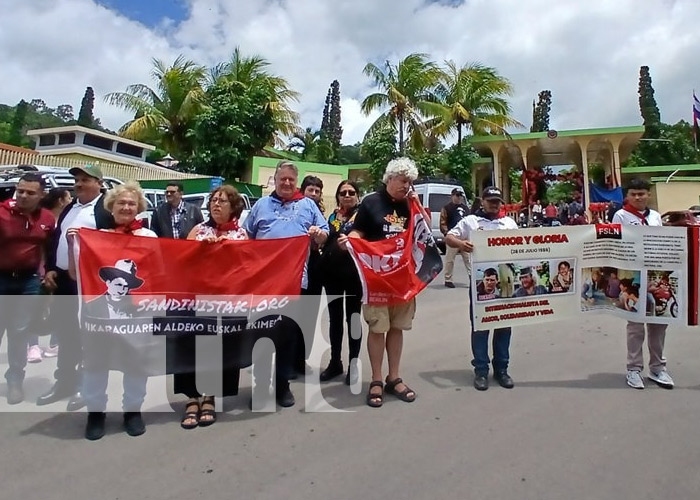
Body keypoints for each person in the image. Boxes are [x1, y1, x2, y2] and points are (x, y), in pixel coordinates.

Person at [67, 181, 156, 440]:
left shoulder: (149, 238)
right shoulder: (96, 237)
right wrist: (73, 241)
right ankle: (96, 413)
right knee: (96, 363)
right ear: (111, 206)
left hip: (138, 312)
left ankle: (132, 411)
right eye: (121, 202)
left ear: (138, 208)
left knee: (136, 363)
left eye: (131, 203)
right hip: (100, 320)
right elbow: (76, 273)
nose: (126, 207)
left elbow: (161, 271)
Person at [342, 157, 428, 408]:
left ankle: (394, 377)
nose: (407, 186)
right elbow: (358, 232)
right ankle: (377, 379)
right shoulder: (370, 202)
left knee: (397, 327)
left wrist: (416, 204)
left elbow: (424, 231)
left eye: (411, 182)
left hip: (403, 279)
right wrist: (351, 241)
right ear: (390, 179)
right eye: (403, 181)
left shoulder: (410, 204)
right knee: (378, 328)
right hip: (377, 278)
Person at [244, 161, 328, 408]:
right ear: (276, 179)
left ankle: (282, 386)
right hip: (263, 285)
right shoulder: (261, 205)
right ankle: (260, 387)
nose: (287, 183)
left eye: (292, 179)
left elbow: (324, 232)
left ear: (296, 180)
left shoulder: (308, 205)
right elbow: (245, 236)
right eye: (283, 179)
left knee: (287, 337)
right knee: (260, 338)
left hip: (294, 283)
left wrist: (320, 235)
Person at [40, 164, 113, 410]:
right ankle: (64, 381)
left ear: (99, 183)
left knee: (88, 336)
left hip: (89, 282)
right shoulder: (72, 206)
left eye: (85, 180)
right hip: (64, 279)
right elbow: (57, 238)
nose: (78, 184)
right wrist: (51, 267)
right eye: (77, 180)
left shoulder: (105, 210)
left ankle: (86, 386)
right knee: (66, 332)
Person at [175, 185, 248, 429]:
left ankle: (210, 397)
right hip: (195, 300)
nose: (217, 204)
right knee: (191, 347)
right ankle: (192, 398)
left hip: (225, 303)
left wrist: (227, 249)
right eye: (214, 200)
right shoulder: (198, 230)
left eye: (223, 201)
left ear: (233, 207)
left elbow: (246, 269)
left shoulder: (241, 235)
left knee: (218, 349)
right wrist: (200, 248)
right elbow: (181, 261)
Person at [445, 186, 519, 391]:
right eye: (490, 200)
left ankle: (502, 370)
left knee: (504, 325)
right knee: (481, 326)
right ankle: (481, 371)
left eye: (497, 201)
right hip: (481, 283)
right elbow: (449, 237)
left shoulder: (509, 223)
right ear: (482, 201)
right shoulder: (470, 221)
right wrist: (462, 243)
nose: (494, 204)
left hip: (505, 280)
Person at [612, 178, 674, 389]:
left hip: (656, 273)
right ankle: (634, 369)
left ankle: (658, 368)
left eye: (642, 193)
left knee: (659, 324)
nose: (638, 197)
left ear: (648, 195)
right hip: (634, 276)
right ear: (627, 196)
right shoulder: (620, 216)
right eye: (633, 194)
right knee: (636, 326)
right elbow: (615, 244)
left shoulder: (656, 217)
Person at [0, 173, 55, 404]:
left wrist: (46, 273)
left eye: (30, 192)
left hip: (28, 283)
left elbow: (49, 247)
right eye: (20, 190)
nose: (23, 195)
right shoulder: (1, 213)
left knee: (19, 333)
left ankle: (15, 380)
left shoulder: (47, 218)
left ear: (41, 195)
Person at [318, 180, 363, 385]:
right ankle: (335, 362)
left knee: (353, 319)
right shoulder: (332, 217)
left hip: (354, 276)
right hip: (332, 275)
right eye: (342, 192)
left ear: (357, 196)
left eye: (351, 192)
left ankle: (354, 365)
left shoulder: (363, 217)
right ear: (337, 196)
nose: (347, 195)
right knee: (335, 320)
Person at [295, 175, 325, 374]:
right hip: (295, 266)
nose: (313, 194)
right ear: (302, 190)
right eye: (310, 190)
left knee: (309, 316)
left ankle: (300, 359)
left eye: (317, 191)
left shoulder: (320, 214)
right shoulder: (295, 209)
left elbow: (325, 236)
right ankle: (285, 360)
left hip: (314, 266)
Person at [440, 188, 470, 288]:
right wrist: (447, 233)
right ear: (452, 196)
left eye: (460, 196)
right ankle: (448, 279)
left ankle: (472, 276)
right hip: (453, 236)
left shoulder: (465, 208)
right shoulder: (447, 208)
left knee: (468, 259)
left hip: (465, 237)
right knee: (450, 259)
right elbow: (443, 221)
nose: (459, 198)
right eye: (457, 195)